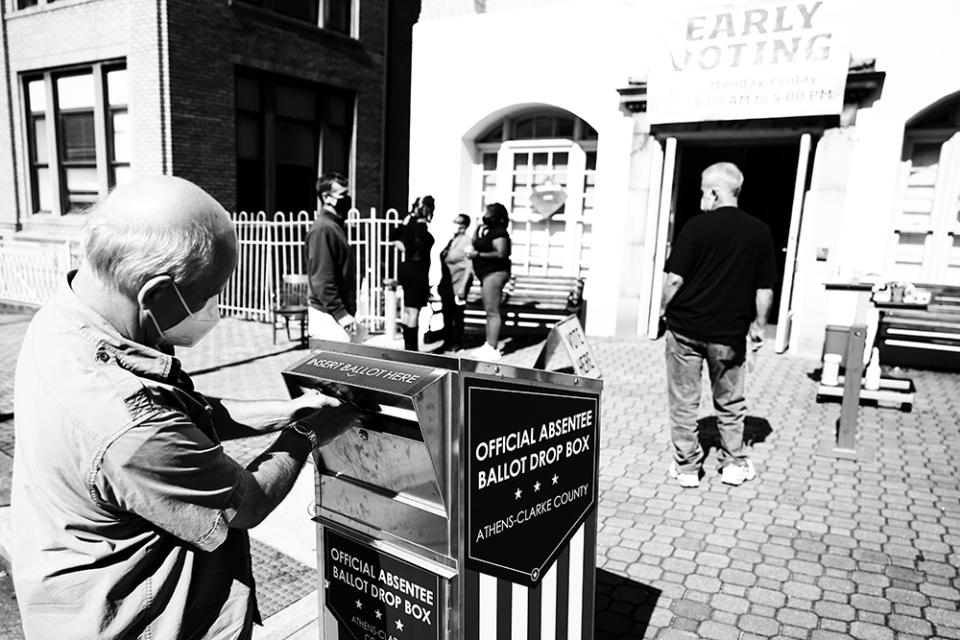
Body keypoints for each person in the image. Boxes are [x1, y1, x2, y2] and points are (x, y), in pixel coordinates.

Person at [11, 176, 364, 639]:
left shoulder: (65, 318)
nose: (211, 309)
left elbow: (186, 414)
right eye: (207, 295)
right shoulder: (125, 421)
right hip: (140, 623)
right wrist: (308, 435)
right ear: (156, 294)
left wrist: (288, 410)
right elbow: (246, 504)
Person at [658, 162, 777, 488]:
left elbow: (674, 280)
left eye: (702, 191)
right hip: (729, 333)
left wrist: (662, 311)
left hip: (685, 330)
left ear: (714, 192)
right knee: (731, 402)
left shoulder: (695, 228)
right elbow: (764, 289)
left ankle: (686, 469)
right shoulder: (759, 231)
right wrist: (759, 327)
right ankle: (733, 465)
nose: (700, 197)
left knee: (683, 402)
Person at [306, 171, 357, 344]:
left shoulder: (334, 227)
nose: (347, 199)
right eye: (342, 195)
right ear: (326, 197)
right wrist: (341, 313)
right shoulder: (323, 229)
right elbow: (322, 278)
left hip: (334, 316)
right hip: (329, 318)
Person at [464, 202, 512, 362]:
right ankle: (488, 344)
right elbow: (475, 242)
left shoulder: (500, 233)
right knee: (488, 310)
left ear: (496, 216)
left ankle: (493, 348)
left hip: (495, 273)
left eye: (488, 213)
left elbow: (501, 253)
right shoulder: (487, 230)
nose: (485, 215)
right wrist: (478, 228)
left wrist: (477, 255)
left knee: (492, 311)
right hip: (485, 274)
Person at [390, 196, 436, 351]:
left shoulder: (408, 224)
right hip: (418, 270)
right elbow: (420, 248)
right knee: (414, 310)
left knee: (408, 309)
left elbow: (393, 236)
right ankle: (412, 349)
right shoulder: (421, 227)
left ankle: (408, 346)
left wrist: (406, 249)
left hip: (406, 268)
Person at [437, 213, 473, 352]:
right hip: (447, 283)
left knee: (457, 314)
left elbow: (469, 266)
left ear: (463, 226)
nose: (454, 224)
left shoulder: (467, 241)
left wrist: (463, 286)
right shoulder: (453, 240)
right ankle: (447, 342)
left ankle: (457, 343)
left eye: (457, 222)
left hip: (459, 283)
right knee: (446, 313)